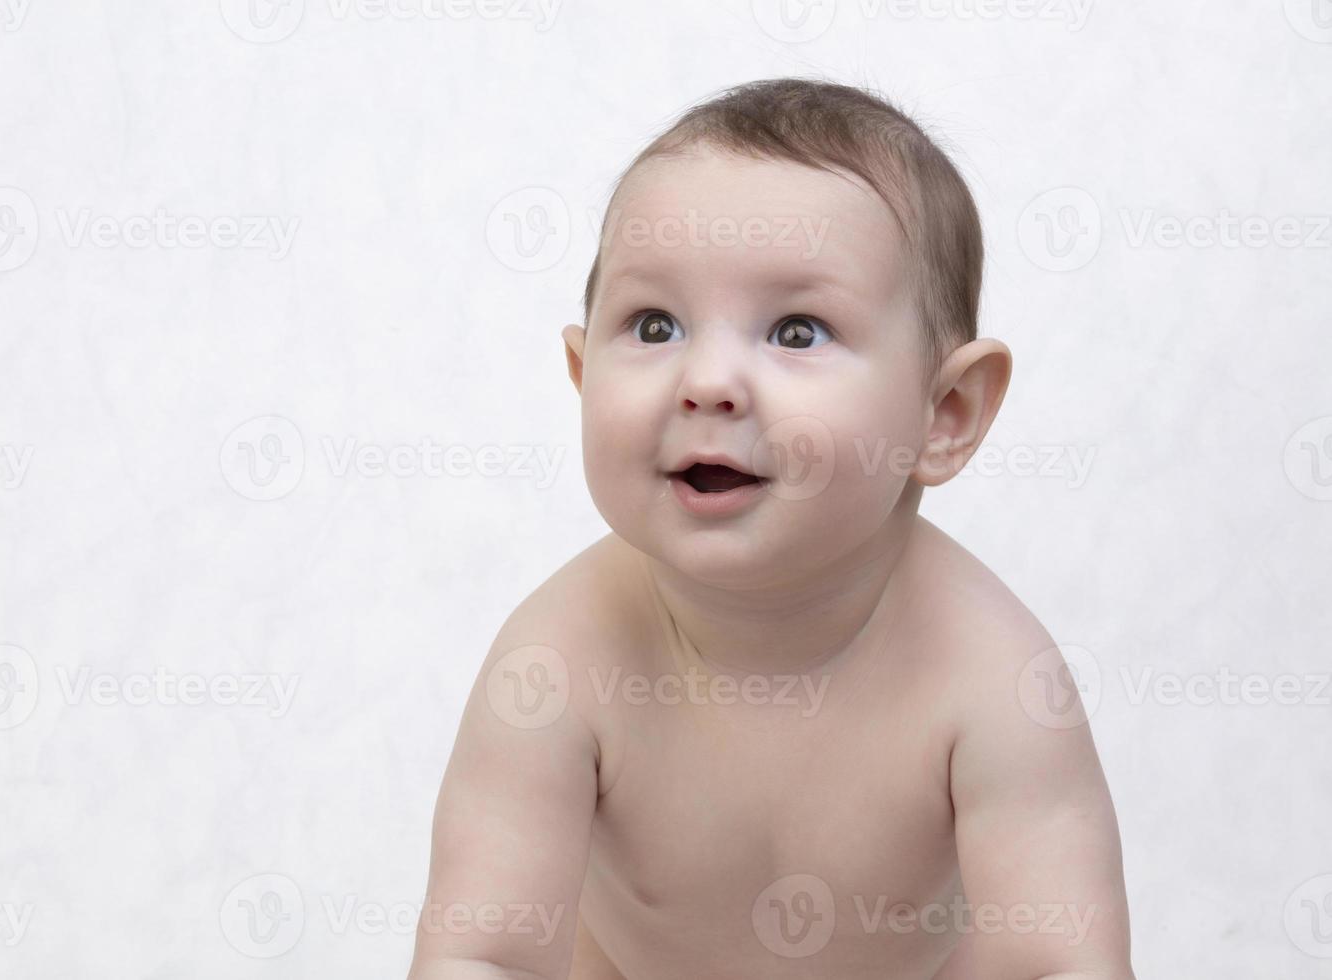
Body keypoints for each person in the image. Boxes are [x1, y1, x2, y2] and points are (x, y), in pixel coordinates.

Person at [407, 76, 1134, 980]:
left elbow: (1056, 963)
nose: (707, 379)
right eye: (655, 323)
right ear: (581, 370)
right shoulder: (555, 662)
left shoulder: (994, 676)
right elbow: (488, 955)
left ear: (943, 413)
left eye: (796, 331)